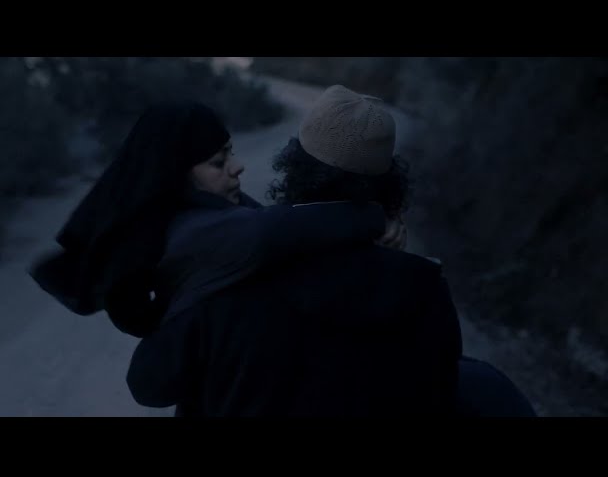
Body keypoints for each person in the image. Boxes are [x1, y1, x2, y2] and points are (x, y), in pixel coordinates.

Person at [125, 86, 464, 416]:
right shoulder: (424, 286)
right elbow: (440, 394)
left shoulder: (235, 269)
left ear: (296, 166)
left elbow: (149, 384)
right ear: (389, 183)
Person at [29, 101, 405, 339]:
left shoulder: (206, 214)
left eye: (231, 153)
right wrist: (371, 218)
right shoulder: (198, 232)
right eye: (218, 161)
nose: (237, 167)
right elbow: (278, 228)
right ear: (176, 175)